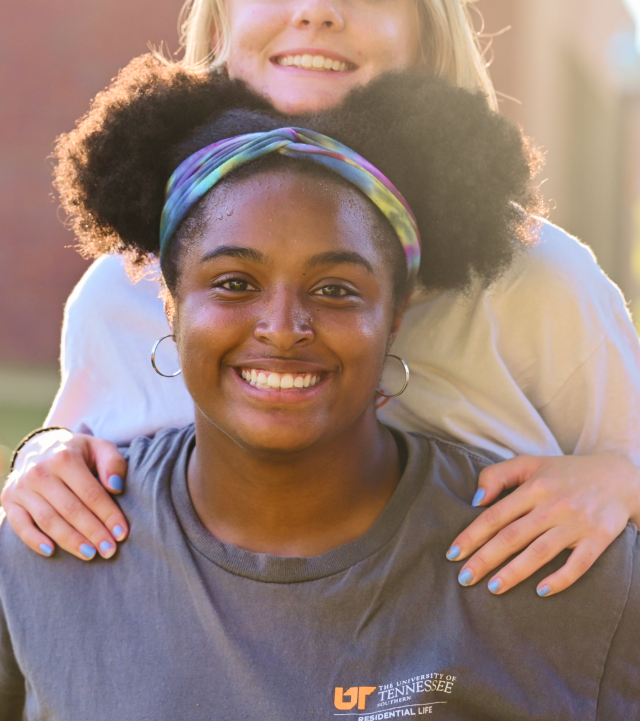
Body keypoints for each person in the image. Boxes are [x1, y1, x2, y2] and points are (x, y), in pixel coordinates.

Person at [4, 0, 640, 601]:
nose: (316, 12)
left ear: (425, 35)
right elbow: (69, 460)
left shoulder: (540, 279)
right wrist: (41, 457)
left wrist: (620, 480)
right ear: (220, 31)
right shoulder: (123, 290)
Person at [1, 58, 638, 721]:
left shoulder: (558, 566)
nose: (282, 329)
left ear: (394, 317)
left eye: (336, 290)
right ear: (171, 306)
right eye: (234, 284)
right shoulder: (44, 558)